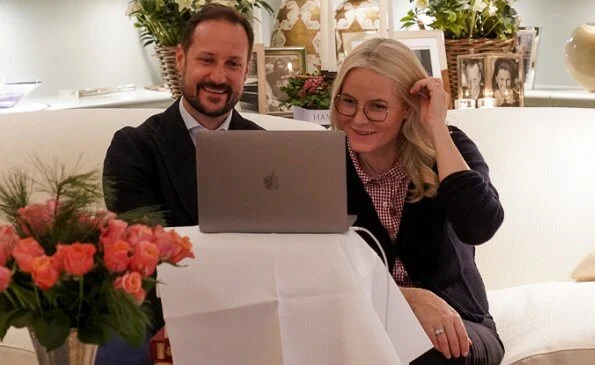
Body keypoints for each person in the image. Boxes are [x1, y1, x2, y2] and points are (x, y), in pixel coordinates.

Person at [100, 4, 262, 364]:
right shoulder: (134, 148)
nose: (219, 77)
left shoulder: (266, 149)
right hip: (160, 314)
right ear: (180, 58)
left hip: (252, 310)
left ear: (246, 69)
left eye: (233, 64)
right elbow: (147, 258)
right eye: (207, 60)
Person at [330, 38, 505, 364]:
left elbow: (479, 225)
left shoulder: (449, 146)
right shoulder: (323, 162)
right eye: (348, 102)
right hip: (361, 318)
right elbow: (311, 266)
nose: (358, 118)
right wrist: (405, 299)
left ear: (407, 109)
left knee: (431, 352)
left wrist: (436, 127)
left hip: (458, 320)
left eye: (378, 106)